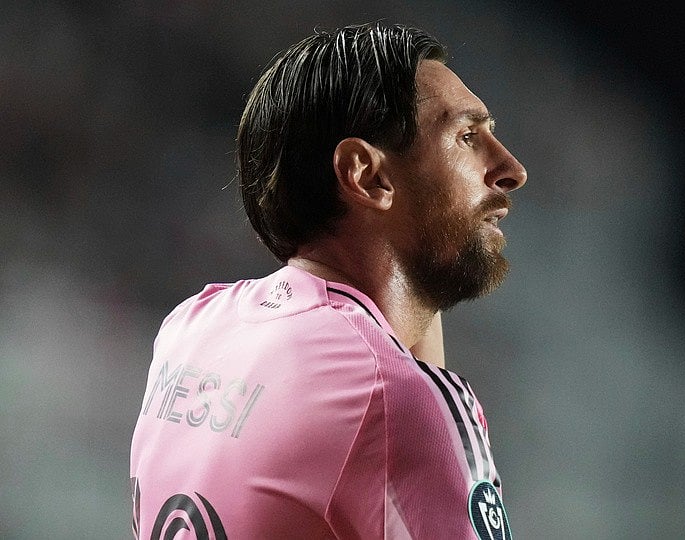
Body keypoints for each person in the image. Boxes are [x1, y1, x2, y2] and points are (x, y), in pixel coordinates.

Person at [129, 22, 527, 539]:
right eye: (468, 136)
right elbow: (399, 403)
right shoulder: (394, 400)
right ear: (367, 175)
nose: (510, 168)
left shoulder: (192, 327)